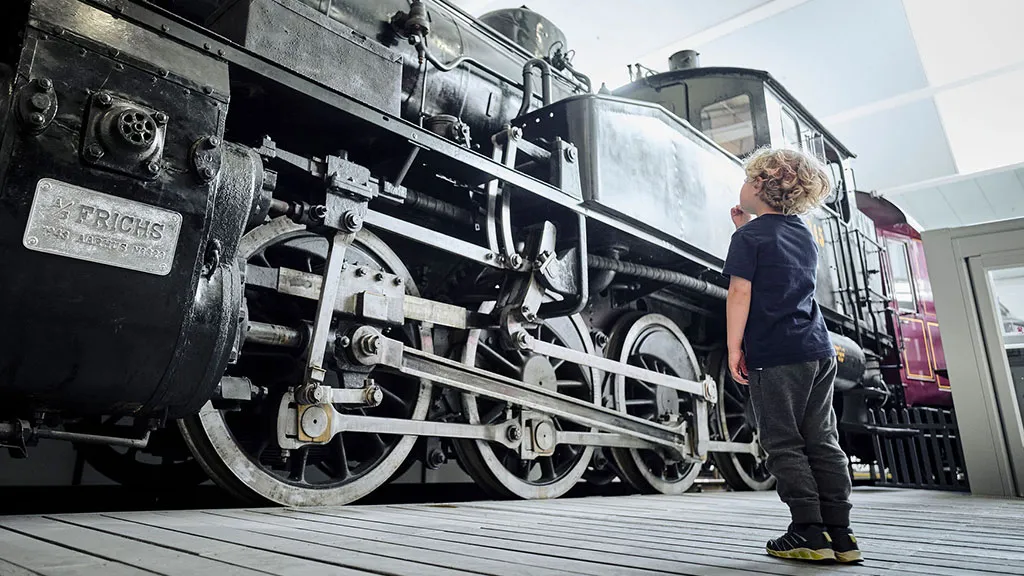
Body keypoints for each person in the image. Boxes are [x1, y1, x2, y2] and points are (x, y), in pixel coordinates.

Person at [723, 147, 862, 563]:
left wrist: (734, 347)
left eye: (748, 179)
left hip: (776, 354)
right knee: (823, 439)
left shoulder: (748, 238)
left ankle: (807, 530)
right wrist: (746, 227)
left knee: (783, 442)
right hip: (817, 351)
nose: (742, 185)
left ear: (762, 185)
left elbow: (740, 292)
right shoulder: (801, 231)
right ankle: (841, 534)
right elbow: (778, 256)